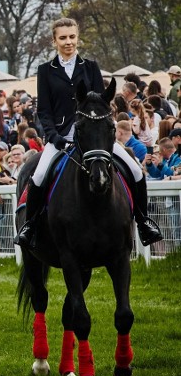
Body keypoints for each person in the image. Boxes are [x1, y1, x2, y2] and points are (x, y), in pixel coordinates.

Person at [15, 18, 161, 248]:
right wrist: (55, 138)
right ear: (55, 41)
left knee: (135, 170)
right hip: (61, 137)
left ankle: (144, 222)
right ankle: (30, 227)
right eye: (63, 38)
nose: (68, 42)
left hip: (94, 137)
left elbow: (100, 102)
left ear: (78, 38)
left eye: (72, 37)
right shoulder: (45, 71)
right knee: (39, 175)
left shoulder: (90, 67)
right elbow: (44, 111)